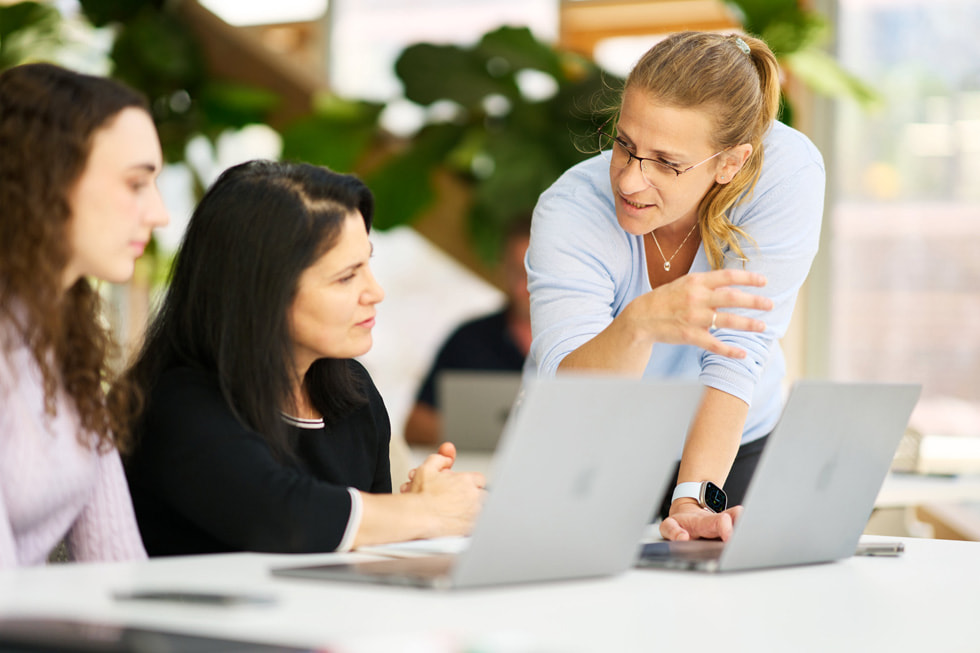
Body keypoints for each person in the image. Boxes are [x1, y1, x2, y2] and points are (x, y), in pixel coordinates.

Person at [526, 31, 824, 541]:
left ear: (730, 164)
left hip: (731, 440)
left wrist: (692, 498)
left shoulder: (784, 174)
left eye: (666, 162)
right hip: (594, 439)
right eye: (624, 145)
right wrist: (637, 326)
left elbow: (740, 349)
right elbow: (573, 398)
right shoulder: (572, 210)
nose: (628, 181)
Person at [120, 160, 486, 556]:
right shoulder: (177, 401)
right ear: (264, 291)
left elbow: (355, 552)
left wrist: (409, 515)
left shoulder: (354, 393)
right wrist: (421, 512)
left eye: (368, 265)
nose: (375, 291)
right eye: (347, 276)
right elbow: (282, 516)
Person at [0, 63, 170, 567]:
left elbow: (117, 562)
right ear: (45, 177)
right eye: (136, 184)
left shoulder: (61, 336)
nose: (158, 213)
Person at [404, 218, 531, 445]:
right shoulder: (469, 339)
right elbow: (415, 426)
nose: (523, 288)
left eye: (533, 274)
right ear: (502, 268)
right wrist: (481, 435)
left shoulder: (589, 340)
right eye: (515, 273)